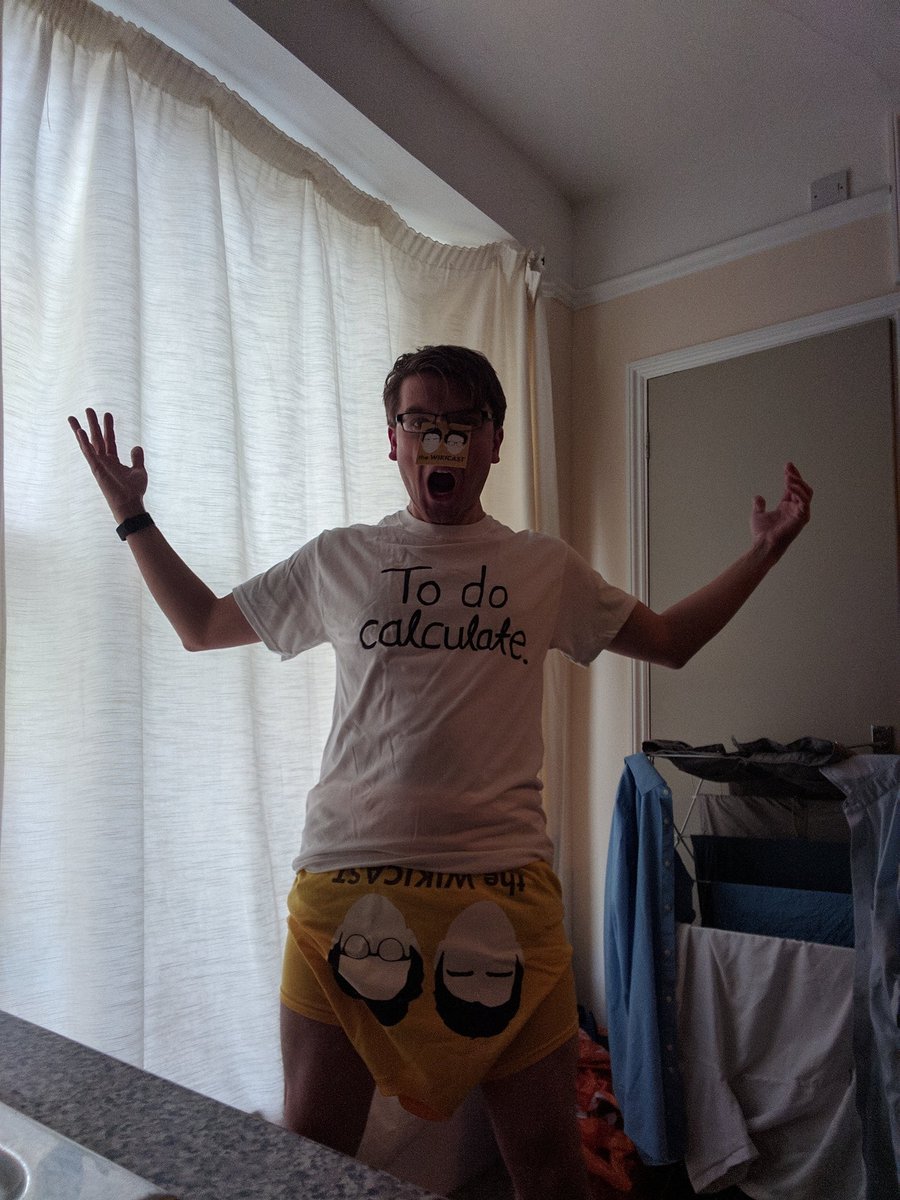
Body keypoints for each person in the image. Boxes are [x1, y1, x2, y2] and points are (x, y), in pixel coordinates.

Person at [69, 345, 813, 1200]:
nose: (441, 441)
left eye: (463, 424)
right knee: (311, 1159)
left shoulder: (543, 567)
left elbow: (669, 642)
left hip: (504, 900)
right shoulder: (341, 557)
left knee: (549, 1170)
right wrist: (131, 516)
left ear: (494, 442)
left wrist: (763, 554)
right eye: (420, 422)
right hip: (346, 896)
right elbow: (201, 624)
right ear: (393, 440)